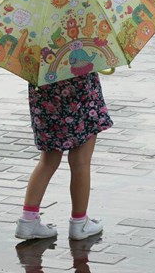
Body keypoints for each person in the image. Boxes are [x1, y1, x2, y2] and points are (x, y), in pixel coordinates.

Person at [15, 72, 113, 241]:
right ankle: (79, 222)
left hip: (45, 92)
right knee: (80, 161)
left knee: (47, 161)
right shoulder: (82, 44)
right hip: (79, 90)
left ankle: (28, 221)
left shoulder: (38, 49)